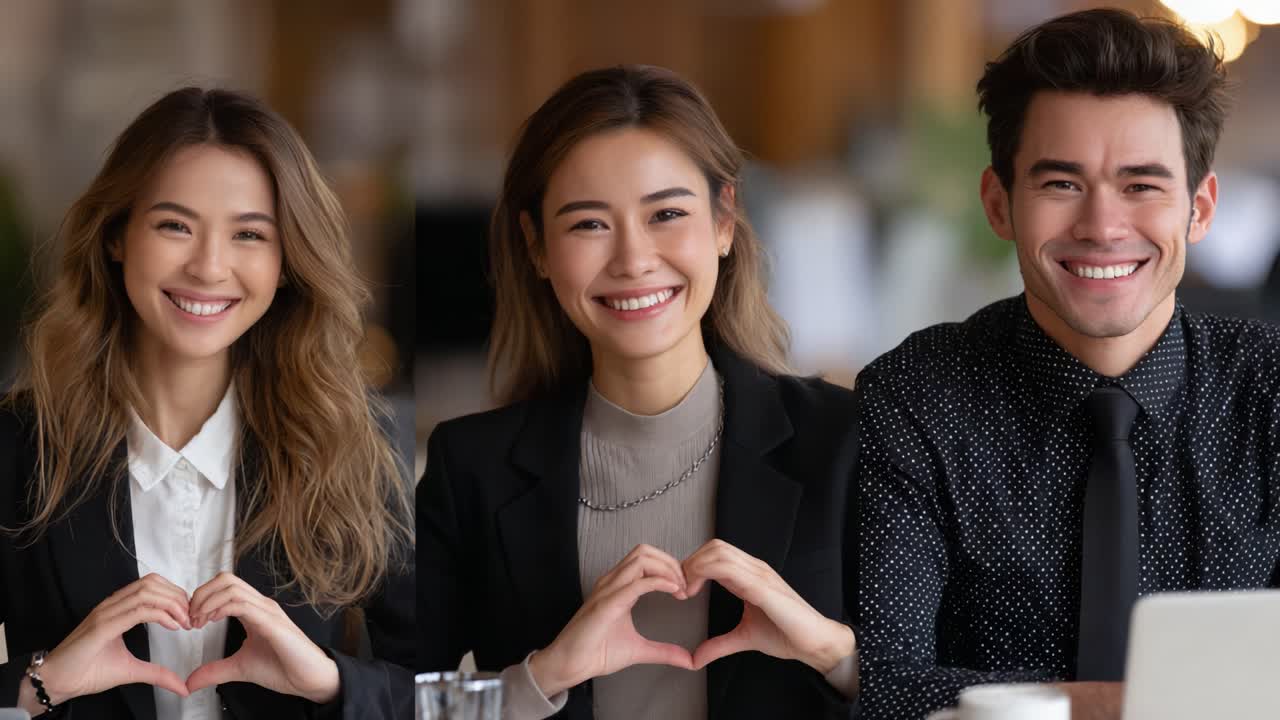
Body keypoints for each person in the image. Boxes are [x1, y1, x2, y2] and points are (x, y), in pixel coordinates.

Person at [852, 8, 1280, 720]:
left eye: (1142, 185)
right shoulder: (916, 396)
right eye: (1061, 184)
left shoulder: (1270, 390)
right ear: (999, 203)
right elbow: (883, 682)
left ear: (1199, 209)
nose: (1102, 227)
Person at [417, 65, 860, 719]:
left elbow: (963, 688)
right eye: (589, 225)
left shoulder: (848, 441)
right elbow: (386, 701)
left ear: (724, 220)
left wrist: (834, 652)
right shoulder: (469, 470)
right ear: (536, 246)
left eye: (667, 214)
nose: (632, 259)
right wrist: (540, 677)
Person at [0, 87, 415, 719]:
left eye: (249, 234)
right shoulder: (15, 447)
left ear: (286, 263)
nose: (209, 266)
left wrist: (332, 683)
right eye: (175, 226)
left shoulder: (360, 444)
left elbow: (445, 690)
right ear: (116, 237)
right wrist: (42, 683)